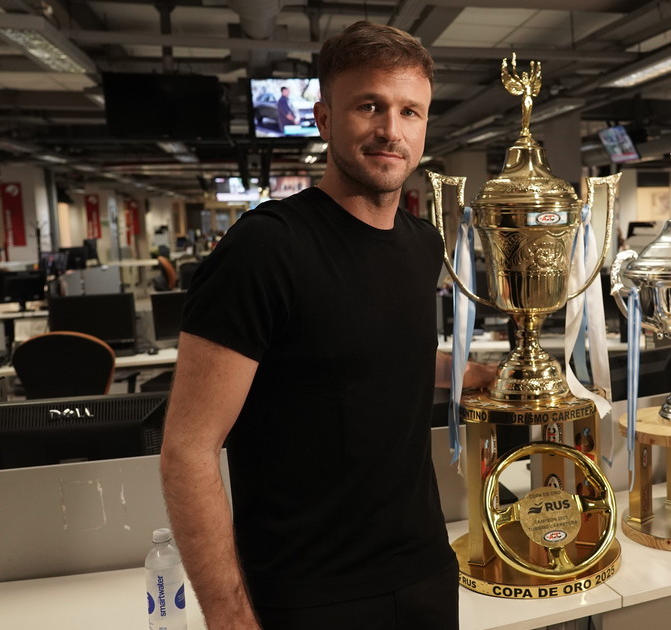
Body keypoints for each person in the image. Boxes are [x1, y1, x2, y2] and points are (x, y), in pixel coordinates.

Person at [160, 21, 493, 630]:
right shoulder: (265, 248)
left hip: (425, 572)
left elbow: (367, 356)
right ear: (323, 119)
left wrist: (475, 374)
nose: (391, 130)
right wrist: (229, 619)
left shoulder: (423, 244)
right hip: (305, 594)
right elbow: (187, 450)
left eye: (410, 112)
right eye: (369, 106)